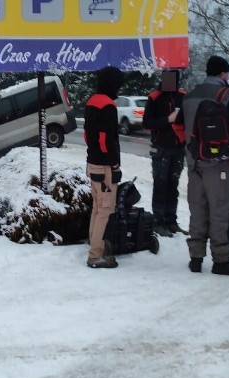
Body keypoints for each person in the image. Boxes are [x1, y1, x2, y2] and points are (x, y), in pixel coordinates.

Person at [172, 55, 229, 276]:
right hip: (219, 164)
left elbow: (178, 126)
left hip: (193, 162)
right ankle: (222, 260)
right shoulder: (228, 95)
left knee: (197, 209)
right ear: (223, 74)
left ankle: (196, 258)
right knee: (220, 210)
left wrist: (188, 145)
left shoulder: (189, 96)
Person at [84, 66, 125, 268]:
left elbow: (87, 136)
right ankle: (95, 255)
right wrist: (114, 163)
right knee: (105, 210)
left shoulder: (91, 102)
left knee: (96, 208)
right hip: (105, 167)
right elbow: (106, 139)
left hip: (92, 164)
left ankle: (94, 245)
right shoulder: (108, 106)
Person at [142, 70, 187, 238]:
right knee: (160, 184)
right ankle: (158, 221)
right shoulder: (155, 97)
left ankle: (171, 220)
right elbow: (147, 123)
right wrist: (167, 120)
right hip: (161, 147)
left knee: (173, 184)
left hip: (178, 146)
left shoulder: (183, 96)